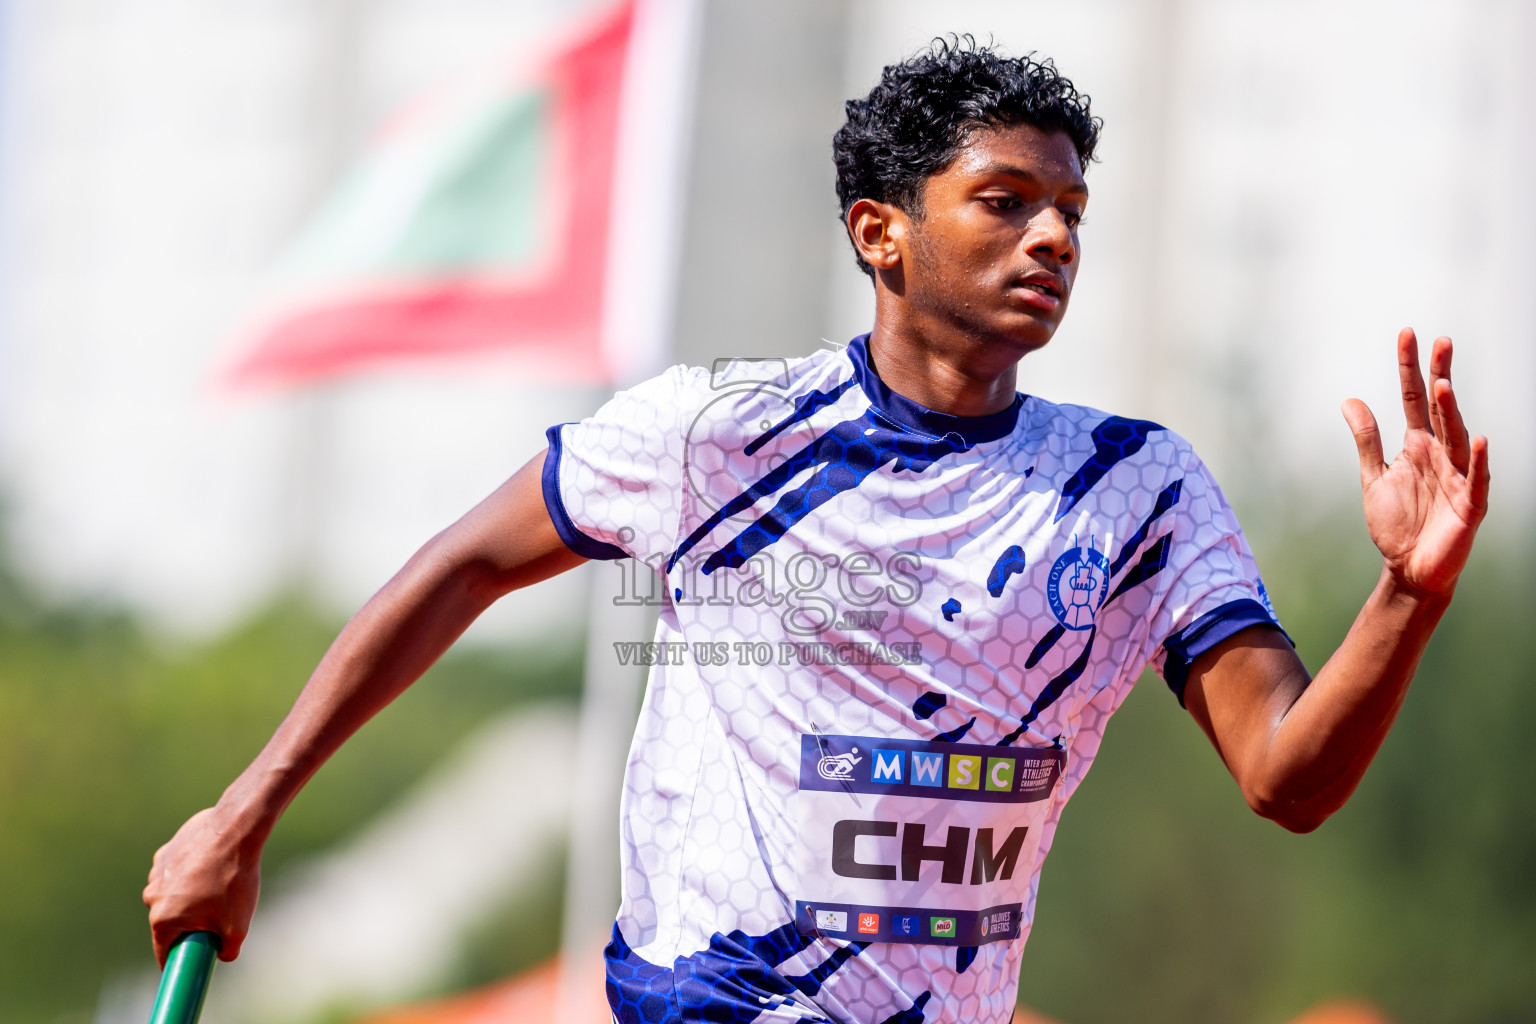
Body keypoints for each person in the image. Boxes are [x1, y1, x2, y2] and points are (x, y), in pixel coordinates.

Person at [144, 38, 1490, 1024]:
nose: (1053, 240)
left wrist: (1406, 597)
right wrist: (244, 815)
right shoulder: (719, 432)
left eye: (1071, 212)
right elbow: (457, 570)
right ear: (882, 233)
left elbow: (1289, 780)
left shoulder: (1138, 487)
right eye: (1006, 200)